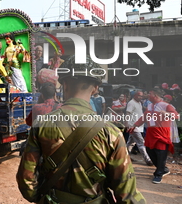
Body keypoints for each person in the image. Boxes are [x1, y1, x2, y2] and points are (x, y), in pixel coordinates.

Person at [17, 56, 145, 203]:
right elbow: (127, 193)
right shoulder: (111, 132)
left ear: (64, 84)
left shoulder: (41, 124)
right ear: (96, 88)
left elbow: (26, 179)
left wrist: (41, 198)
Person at [129, 88, 179, 184]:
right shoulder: (150, 106)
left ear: (155, 95)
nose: (148, 94)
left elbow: (176, 115)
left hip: (162, 135)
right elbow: (144, 117)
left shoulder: (166, 105)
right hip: (151, 134)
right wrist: (134, 125)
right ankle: (163, 169)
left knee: (161, 154)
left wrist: (167, 114)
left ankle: (158, 174)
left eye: (150, 93)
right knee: (149, 151)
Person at [125, 91, 153, 166]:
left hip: (139, 126)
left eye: (141, 96)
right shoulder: (131, 103)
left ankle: (125, 156)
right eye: (139, 96)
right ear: (135, 96)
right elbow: (128, 113)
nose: (141, 97)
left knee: (131, 143)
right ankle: (148, 159)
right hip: (133, 126)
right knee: (141, 142)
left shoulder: (139, 103)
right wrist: (127, 123)